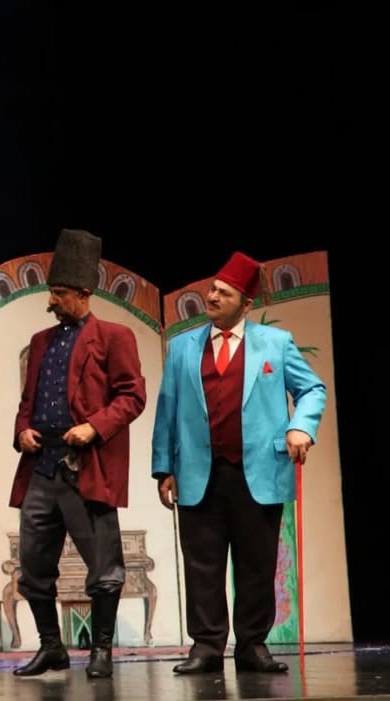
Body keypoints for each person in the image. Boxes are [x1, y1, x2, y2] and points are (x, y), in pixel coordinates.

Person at [151, 251, 327, 675]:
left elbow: (312, 389)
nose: (212, 297)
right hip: (198, 472)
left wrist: (301, 428)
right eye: (212, 289)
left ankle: (252, 644)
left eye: (223, 293)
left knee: (256, 564)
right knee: (202, 564)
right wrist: (164, 468)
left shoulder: (275, 344)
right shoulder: (183, 347)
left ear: (245, 304)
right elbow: (167, 409)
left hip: (259, 472)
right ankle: (206, 645)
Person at [8, 229, 147, 679]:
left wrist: (94, 426)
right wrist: (22, 431)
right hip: (41, 467)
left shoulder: (114, 336)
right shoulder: (41, 341)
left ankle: (101, 650)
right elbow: (27, 401)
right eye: (51, 292)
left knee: (103, 567)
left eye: (60, 293)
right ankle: (52, 647)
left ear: (84, 294)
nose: (51, 301)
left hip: (86, 466)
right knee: (33, 566)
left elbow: (132, 396)